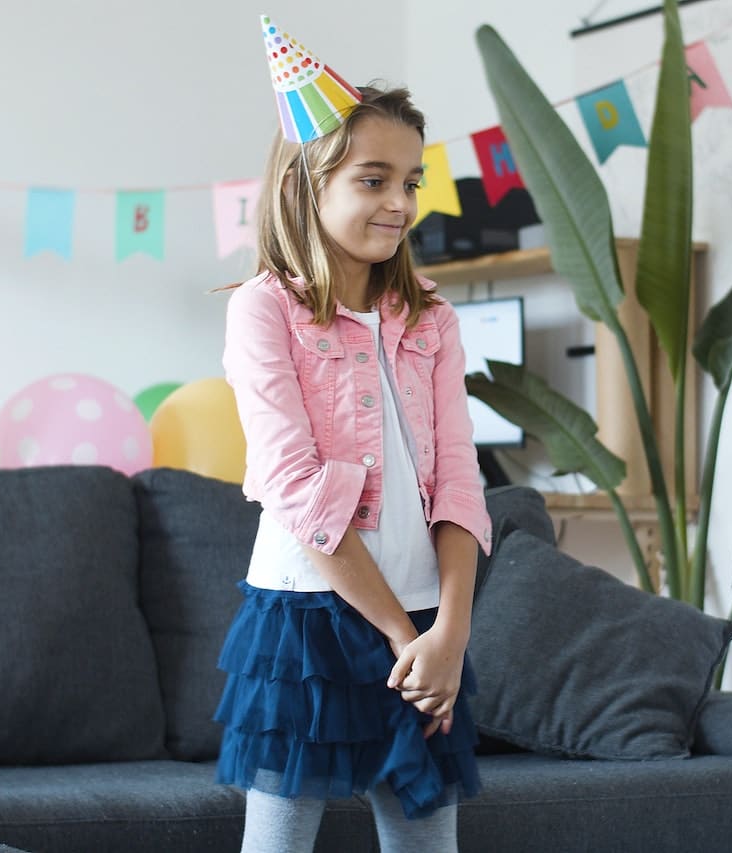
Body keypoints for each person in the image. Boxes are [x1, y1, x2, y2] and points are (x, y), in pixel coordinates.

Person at [213, 17, 491, 853]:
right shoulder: (262, 310)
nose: (401, 203)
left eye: (411, 181)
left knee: (426, 841)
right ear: (308, 183)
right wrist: (404, 640)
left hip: (426, 618)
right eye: (375, 180)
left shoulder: (432, 318)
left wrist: (449, 631)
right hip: (307, 617)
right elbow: (295, 487)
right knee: (279, 843)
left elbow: (460, 483)